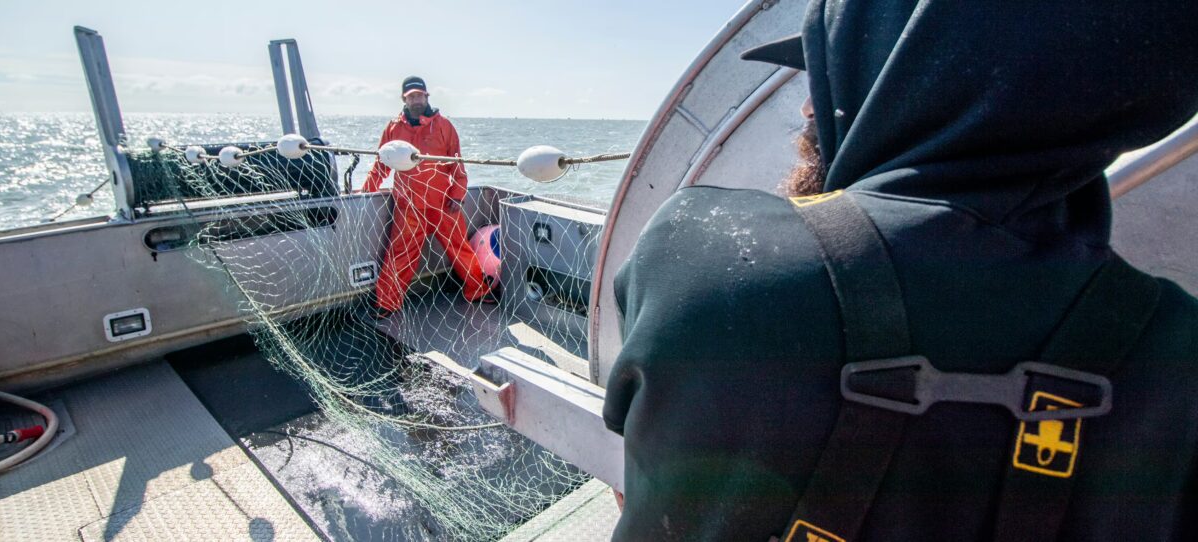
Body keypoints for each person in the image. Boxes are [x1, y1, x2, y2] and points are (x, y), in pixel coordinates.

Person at [602, 1, 1198, 540]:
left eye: (832, 68)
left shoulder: (697, 249)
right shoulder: (1176, 352)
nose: (811, 106)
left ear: (915, 73)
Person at [362, 76, 494, 317]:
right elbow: (382, 164)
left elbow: (458, 164)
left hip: (444, 203)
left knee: (460, 249)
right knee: (400, 254)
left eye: (420, 95)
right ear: (404, 98)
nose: (416, 100)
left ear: (427, 96)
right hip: (408, 205)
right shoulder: (393, 128)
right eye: (411, 96)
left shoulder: (444, 126)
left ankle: (478, 291)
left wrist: (458, 193)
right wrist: (366, 191)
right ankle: (387, 303)